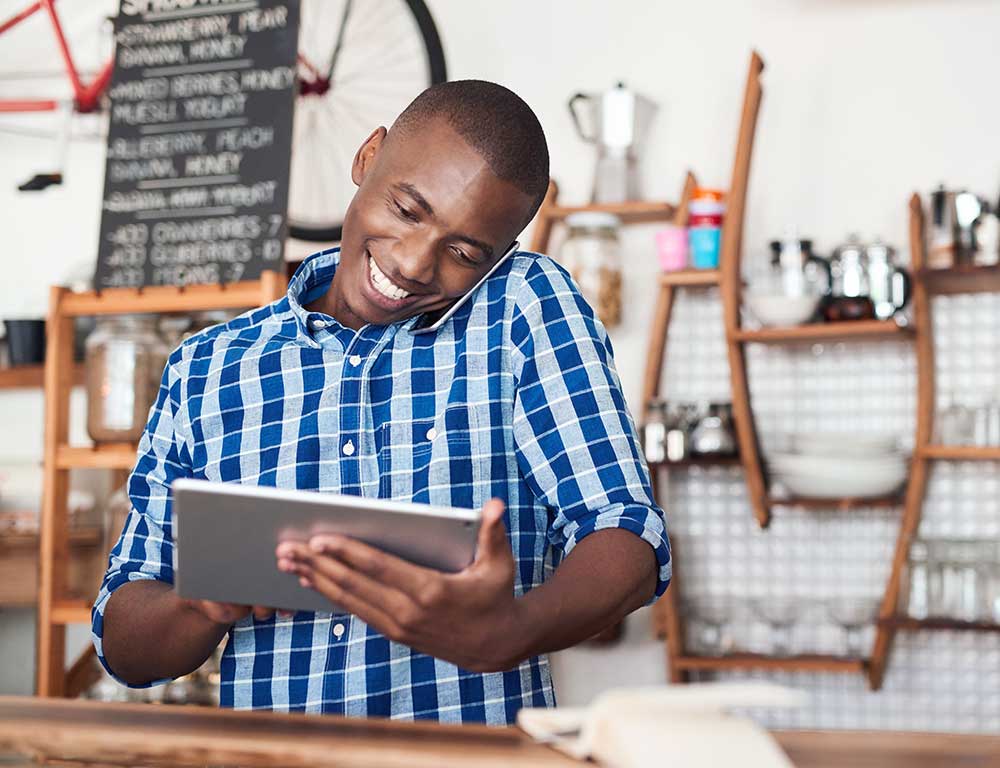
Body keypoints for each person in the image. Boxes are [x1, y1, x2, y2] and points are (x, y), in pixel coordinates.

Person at [93, 80, 671, 725]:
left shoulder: (521, 306)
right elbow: (124, 640)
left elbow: (625, 531)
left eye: (462, 253)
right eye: (407, 209)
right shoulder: (208, 366)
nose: (413, 263)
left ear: (499, 256)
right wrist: (203, 604)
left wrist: (514, 627)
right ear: (368, 158)